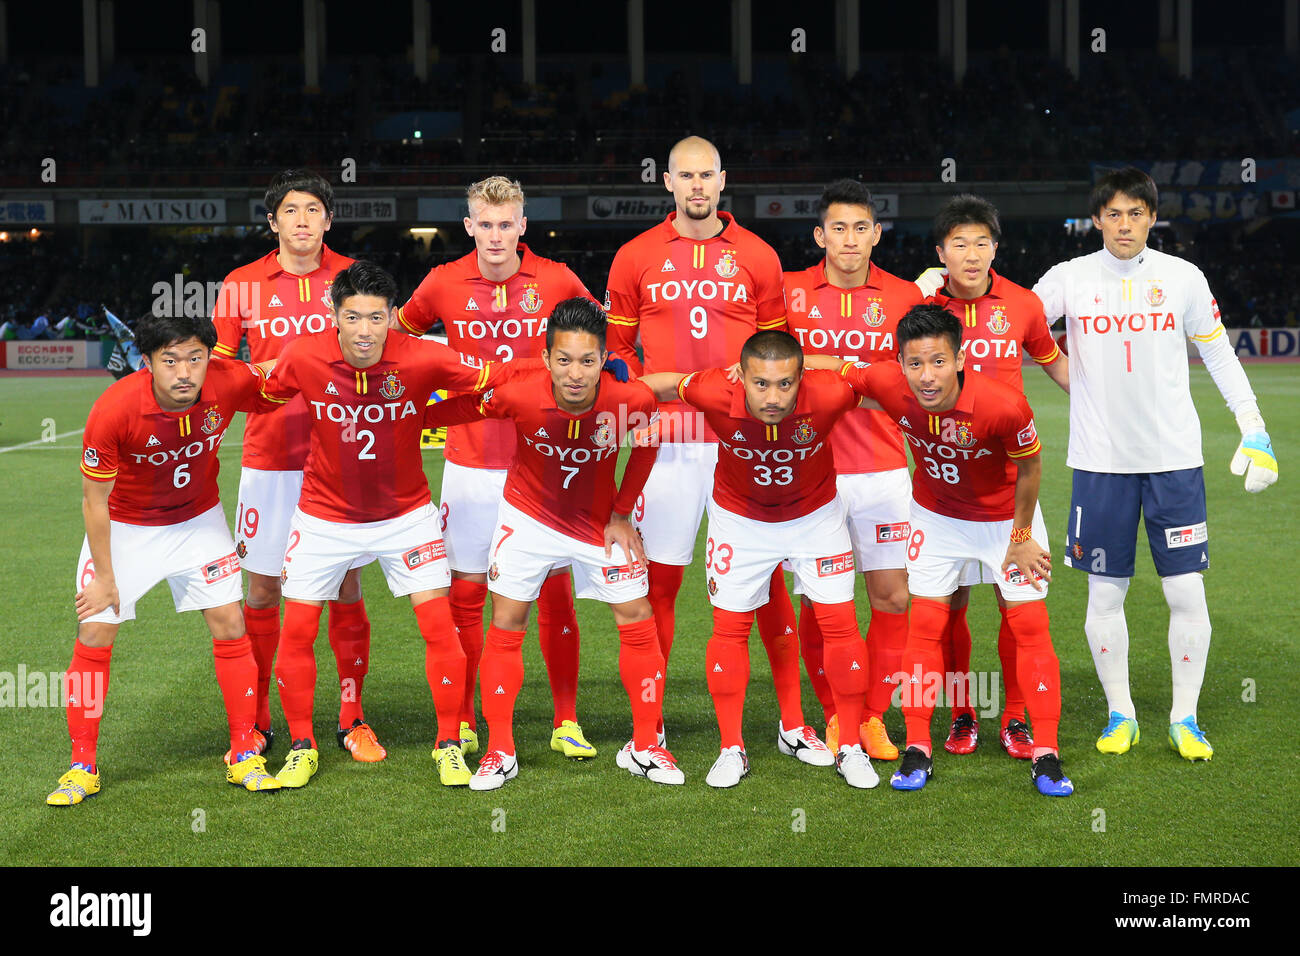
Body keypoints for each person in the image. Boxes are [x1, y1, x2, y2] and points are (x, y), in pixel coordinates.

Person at [1033, 166, 1279, 761]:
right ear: (1096, 220)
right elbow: (1009, 324)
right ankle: (1123, 713)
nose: (1124, 225)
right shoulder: (1068, 279)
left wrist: (1256, 428)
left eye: (1136, 213)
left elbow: (1218, 353)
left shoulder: (1182, 278)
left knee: (1186, 592)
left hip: (1174, 461)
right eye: (1113, 214)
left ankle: (1185, 718)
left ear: (1152, 216)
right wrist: (936, 294)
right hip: (1099, 464)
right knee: (1104, 596)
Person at [605, 136, 828, 766]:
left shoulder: (757, 255)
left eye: (707, 176)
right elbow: (618, 355)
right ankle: (647, 734)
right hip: (670, 446)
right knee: (661, 589)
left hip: (742, 443)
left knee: (767, 588)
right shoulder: (634, 256)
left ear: (723, 180)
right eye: (686, 176)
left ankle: (792, 724)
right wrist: (638, 393)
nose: (697, 186)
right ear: (667, 182)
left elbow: (781, 359)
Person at [260, 261, 520, 789]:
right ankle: (302, 744)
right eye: (353, 317)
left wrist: (581, 370)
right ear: (333, 315)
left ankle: (449, 743)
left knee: (438, 627)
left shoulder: (424, 357)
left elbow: (498, 377)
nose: (364, 331)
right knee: (298, 630)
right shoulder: (304, 355)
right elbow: (255, 389)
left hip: (406, 517)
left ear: (392, 319)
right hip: (323, 517)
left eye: (376, 318)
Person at [424, 297, 681, 789]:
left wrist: (624, 512)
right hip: (528, 519)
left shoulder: (632, 400)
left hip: (597, 523)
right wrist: (395, 417)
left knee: (637, 619)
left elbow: (649, 442)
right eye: (563, 359)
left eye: (587, 360)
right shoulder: (518, 394)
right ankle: (501, 750)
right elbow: (456, 408)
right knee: (507, 622)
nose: (576, 373)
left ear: (604, 358)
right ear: (545, 359)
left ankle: (646, 745)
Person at [818, 303, 1074, 797]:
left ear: (960, 359)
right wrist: (775, 367)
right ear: (900, 362)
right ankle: (918, 746)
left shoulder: (1004, 405)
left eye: (938, 362)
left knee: (1031, 628)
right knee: (926, 628)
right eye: (914, 364)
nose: (926, 376)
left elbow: (1031, 468)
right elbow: (839, 366)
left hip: (1005, 522)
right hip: (936, 518)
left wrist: (1020, 539)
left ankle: (1046, 752)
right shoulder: (890, 384)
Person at [396, 176, 597, 761]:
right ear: (468, 226)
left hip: (547, 465)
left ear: (523, 226)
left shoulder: (557, 280)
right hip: (469, 465)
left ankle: (565, 721)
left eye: (506, 224)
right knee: (467, 593)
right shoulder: (441, 282)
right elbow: (400, 341)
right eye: (485, 224)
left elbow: (606, 341)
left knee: (553, 595)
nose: (496, 236)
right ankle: (460, 718)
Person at [48, 314, 282, 805]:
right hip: (126, 527)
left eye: (195, 359)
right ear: (146, 363)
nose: (184, 372)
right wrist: (106, 578)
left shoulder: (230, 380)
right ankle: (81, 765)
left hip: (198, 520)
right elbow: (94, 501)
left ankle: (243, 750)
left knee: (229, 621)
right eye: (170, 360)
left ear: (210, 360)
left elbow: (282, 379)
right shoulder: (114, 410)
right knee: (95, 630)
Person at [639, 331, 882, 790]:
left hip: (815, 517)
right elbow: (663, 384)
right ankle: (732, 747)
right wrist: (596, 396)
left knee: (841, 626)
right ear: (741, 377)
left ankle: (848, 744)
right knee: (729, 629)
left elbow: (881, 379)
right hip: (740, 520)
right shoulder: (714, 388)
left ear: (803, 377)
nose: (773, 397)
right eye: (761, 384)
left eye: (786, 384)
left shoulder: (830, 392)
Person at [211, 169, 381, 763]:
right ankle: (259, 718)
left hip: (344, 459)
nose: (303, 219)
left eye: (313, 209)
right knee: (262, 588)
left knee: (345, 585)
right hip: (270, 460)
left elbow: (387, 354)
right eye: (291, 209)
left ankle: (352, 716)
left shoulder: (354, 278)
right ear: (273, 221)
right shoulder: (239, 285)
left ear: (328, 220)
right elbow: (220, 369)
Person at [924, 194, 1070, 760]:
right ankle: (962, 713)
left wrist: (1104, 404)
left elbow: (1054, 363)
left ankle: (1014, 718)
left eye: (982, 242)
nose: (971, 254)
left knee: (1018, 606)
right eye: (958, 243)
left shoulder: (1025, 305)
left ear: (995, 248)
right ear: (941, 252)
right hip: (946, 486)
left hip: (1013, 485)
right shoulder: (924, 311)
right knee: (950, 604)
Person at [783, 178, 923, 762]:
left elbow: (910, 380)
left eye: (860, 227)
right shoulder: (788, 293)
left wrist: (827, 378)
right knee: (820, 602)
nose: (849, 239)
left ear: (876, 233)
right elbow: (774, 372)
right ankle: (834, 716)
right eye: (837, 228)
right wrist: (855, 371)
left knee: (892, 598)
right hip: (809, 472)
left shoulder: (905, 297)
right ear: (820, 234)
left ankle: (871, 717)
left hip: (884, 469)